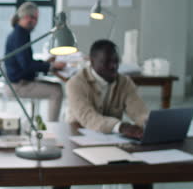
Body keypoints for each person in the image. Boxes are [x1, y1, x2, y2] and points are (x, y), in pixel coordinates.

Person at [65, 39, 151, 189]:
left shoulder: (125, 82)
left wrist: (147, 122)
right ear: (92, 61)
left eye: (116, 62)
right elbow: (88, 118)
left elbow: (139, 111)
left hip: (112, 139)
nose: (113, 67)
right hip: (78, 138)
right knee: (62, 174)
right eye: (106, 62)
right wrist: (121, 127)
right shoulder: (75, 83)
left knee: (143, 172)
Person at [4, 1, 66, 121]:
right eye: (36, 19)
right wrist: (51, 66)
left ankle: (49, 125)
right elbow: (26, 65)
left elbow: (26, 61)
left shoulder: (20, 33)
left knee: (57, 86)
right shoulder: (20, 35)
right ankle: (52, 128)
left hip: (22, 81)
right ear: (28, 17)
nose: (36, 23)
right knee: (57, 91)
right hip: (18, 85)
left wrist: (46, 63)